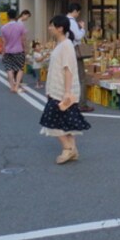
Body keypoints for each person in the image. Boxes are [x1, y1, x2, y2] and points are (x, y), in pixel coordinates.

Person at [39, 15, 91, 164]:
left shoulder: (66, 45)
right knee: (67, 122)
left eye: (51, 26)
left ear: (60, 28)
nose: (49, 28)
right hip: (59, 89)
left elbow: (67, 69)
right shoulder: (62, 44)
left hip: (62, 91)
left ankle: (67, 149)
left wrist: (67, 92)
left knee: (51, 122)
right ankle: (73, 150)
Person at [67, 2, 94, 112]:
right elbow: (77, 36)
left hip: (67, 50)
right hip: (74, 51)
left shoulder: (64, 20)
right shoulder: (72, 22)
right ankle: (82, 104)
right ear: (75, 11)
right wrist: (82, 28)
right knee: (81, 78)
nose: (78, 14)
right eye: (78, 12)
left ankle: (70, 102)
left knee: (70, 77)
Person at [0, 9, 28, 93]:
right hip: (19, 50)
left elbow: (3, 42)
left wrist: (3, 52)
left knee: (9, 69)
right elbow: (23, 39)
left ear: (8, 17)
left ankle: (11, 87)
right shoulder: (20, 26)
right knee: (20, 68)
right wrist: (25, 49)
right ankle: (17, 86)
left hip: (8, 51)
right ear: (16, 16)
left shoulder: (3, 27)